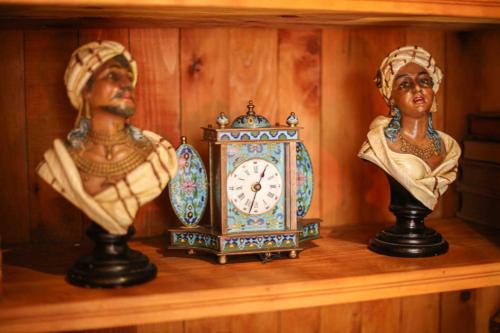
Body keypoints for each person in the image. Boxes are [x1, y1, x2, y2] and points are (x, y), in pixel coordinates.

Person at [37, 40, 178, 235]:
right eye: (112, 76)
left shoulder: (158, 155)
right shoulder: (60, 162)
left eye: (129, 78)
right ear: (85, 90)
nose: (127, 85)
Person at [358, 45, 461, 210]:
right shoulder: (379, 144)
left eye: (424, 81)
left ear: (433, 91)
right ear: (392, 98)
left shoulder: (449, 147)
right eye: (405, 84)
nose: (417, 88)